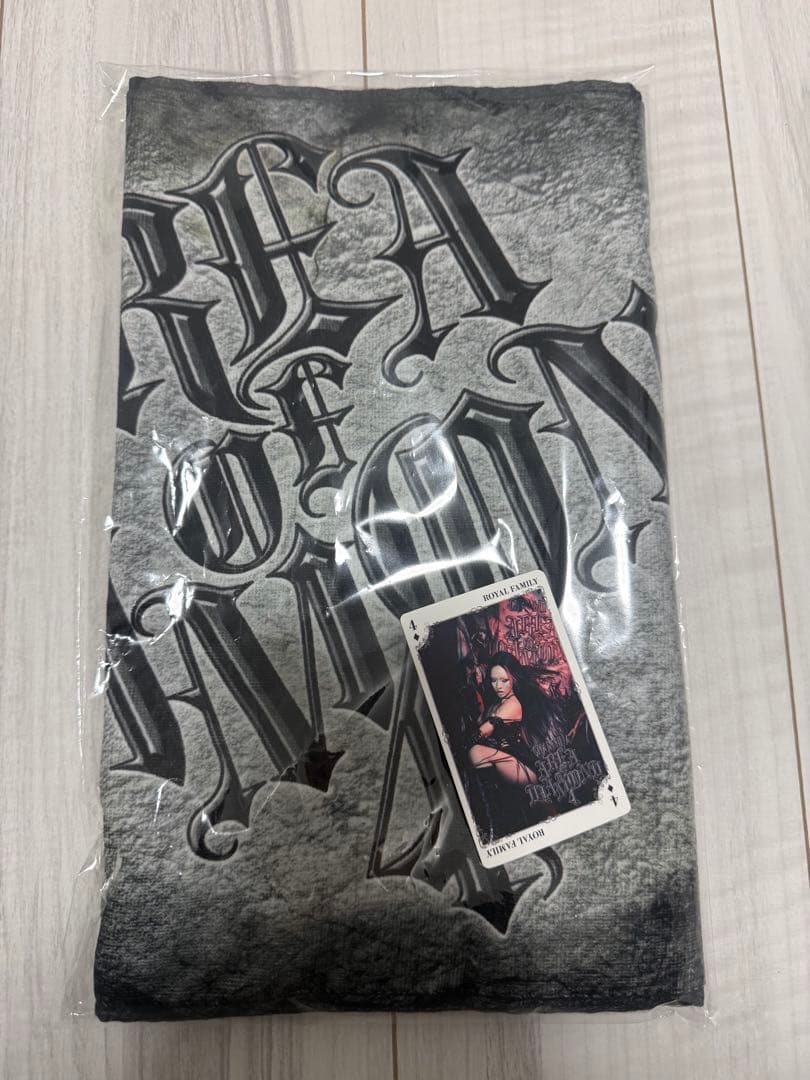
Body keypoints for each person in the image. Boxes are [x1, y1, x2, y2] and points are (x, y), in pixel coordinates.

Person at [468, 651, 554, 786]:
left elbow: (480, 733)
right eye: (494, 680)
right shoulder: (497, 703)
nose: (498, 686)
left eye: (504, 680)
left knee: (476, 752)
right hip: (506, 759)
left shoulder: (512, 705)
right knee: (476, 752)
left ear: (513, 678)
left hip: (521, 764)